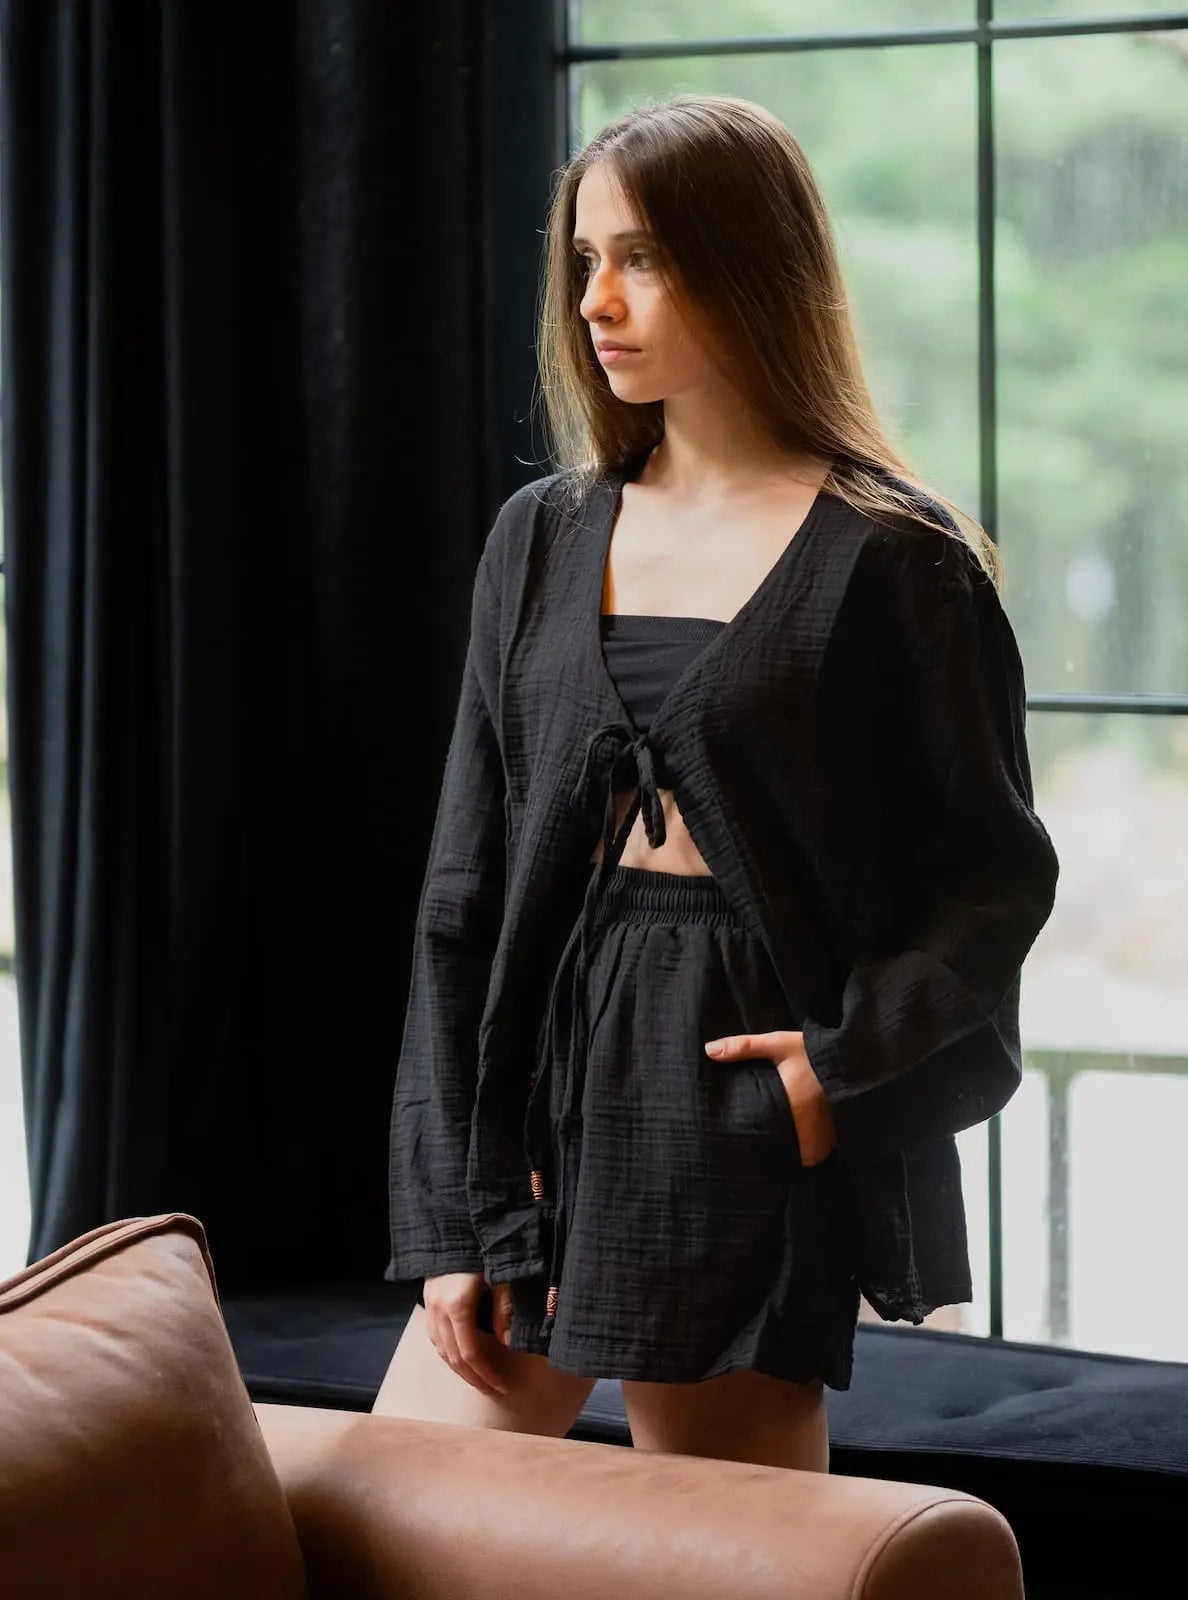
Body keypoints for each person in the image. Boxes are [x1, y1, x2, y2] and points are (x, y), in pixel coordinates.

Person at [372, 94, 1059, 1473]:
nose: (595, 300)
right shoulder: (541, 538)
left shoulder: (898, 560)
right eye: (585, 260)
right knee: (401, 1511)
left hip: (732, 1076)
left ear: (751, 266)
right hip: (539, 1065)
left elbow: (993, 881)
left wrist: (831, 1078)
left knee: (723, 1550)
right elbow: (464, 888)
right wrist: (451, 1206)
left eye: (643, 257)